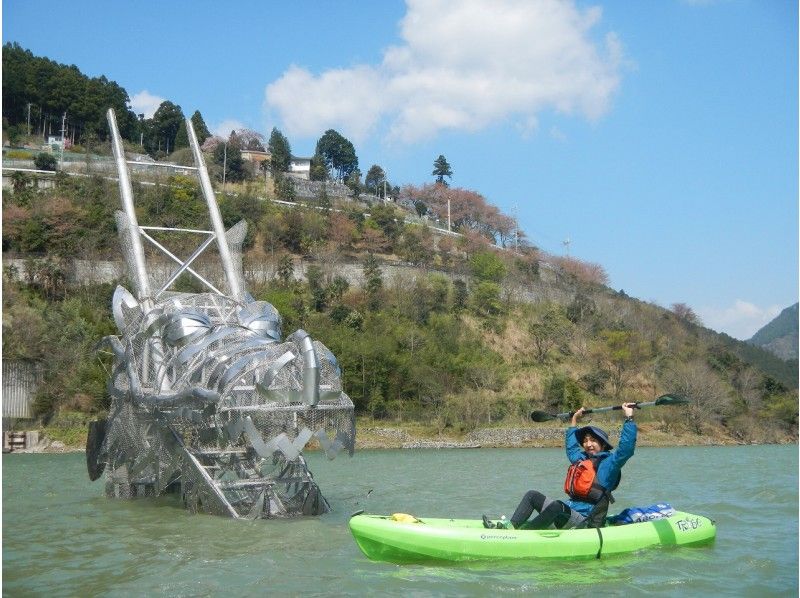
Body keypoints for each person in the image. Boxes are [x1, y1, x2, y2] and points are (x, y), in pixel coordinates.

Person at [483, 402, 637, 530]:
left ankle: (525, 534)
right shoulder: (581, 459)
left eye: (593, 440)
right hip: (567, 513)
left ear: (603, 445)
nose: (588, 444)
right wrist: (574, 421)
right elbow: (571, 449)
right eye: (585, 440)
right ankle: (511, 527)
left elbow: (626, 449)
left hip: (585, 521)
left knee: (557, 506)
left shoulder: (609, 464)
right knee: (532, 495)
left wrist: (629, 418)